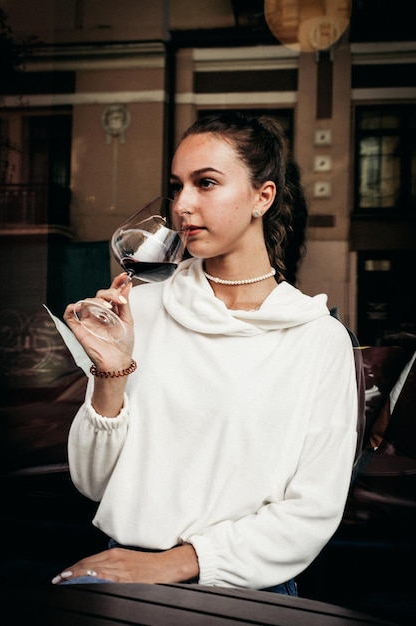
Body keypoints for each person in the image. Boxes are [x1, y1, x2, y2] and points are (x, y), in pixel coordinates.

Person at [52, 111, 358, 593]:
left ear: (263, 197)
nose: (182, 205)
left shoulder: (317, 340)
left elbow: (311, 511)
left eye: (206, 183)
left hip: (243, 587)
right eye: (178, 186)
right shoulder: (142, 311)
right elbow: (92, 483)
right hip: (120, 568)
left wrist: (172, 564)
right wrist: (110, 377)